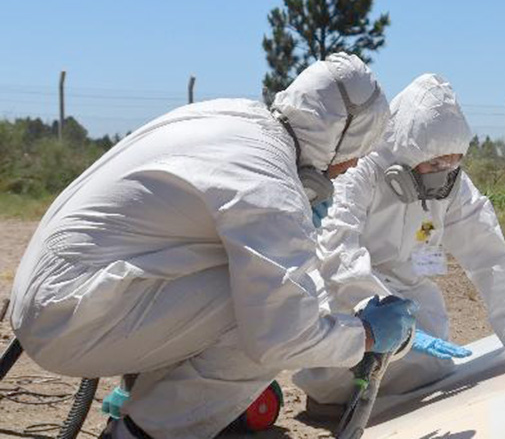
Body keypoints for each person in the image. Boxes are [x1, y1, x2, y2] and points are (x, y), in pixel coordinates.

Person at [9, 53, 418, 439]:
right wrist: (365, 335)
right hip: (69, 317)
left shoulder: (240, 121)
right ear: (341, 136)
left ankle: (144, 416)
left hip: (63, 298)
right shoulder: (268, 179)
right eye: (353, 155)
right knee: (265, 317)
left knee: (259, 291)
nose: (346, 169)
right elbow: (283, 335)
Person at [294, 74, 505, 409]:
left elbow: (487, 252)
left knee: (430, 363)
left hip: (409, 291)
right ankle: (330, 399)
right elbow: (337, 250)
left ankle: (401, 404)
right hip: (347, 290)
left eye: (454, 160)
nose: (446, 171)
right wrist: (375, 311)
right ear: (406, 152)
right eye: (436, 162)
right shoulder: (361, 172)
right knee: (343, 367)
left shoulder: (453, 186)